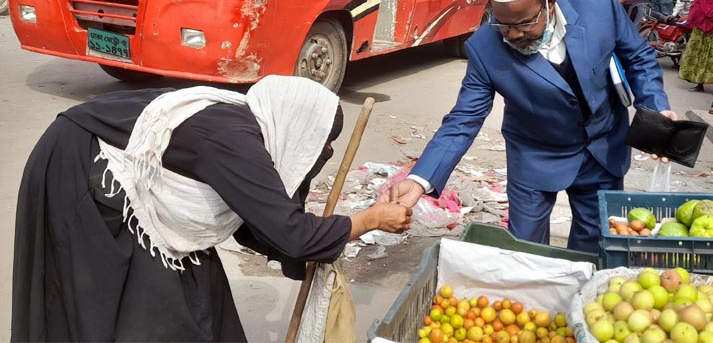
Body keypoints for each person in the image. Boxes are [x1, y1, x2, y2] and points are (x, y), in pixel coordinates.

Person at [11, 76, 412, 341]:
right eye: (320, 144)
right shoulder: (234, 139)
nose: (320, 155)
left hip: (135, 188)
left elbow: (257, 223)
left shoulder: (252, 131)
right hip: (82, 168)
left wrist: (311, 251)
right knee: (106, 303)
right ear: (299, 130)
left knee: (203, 293)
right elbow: (288, 231)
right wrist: (371, 219)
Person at [381, 0, 675, 254]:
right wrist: (419, 180)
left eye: (523, 24)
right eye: (503, 24)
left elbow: (639, 57)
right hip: (535, 155)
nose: (513, 35)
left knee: (592, 248)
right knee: (525, 252)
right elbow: (463, 120)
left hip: (602, 147)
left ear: (549, 1)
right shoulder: (485, 48)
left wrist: (657, 110)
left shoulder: (598, 3)